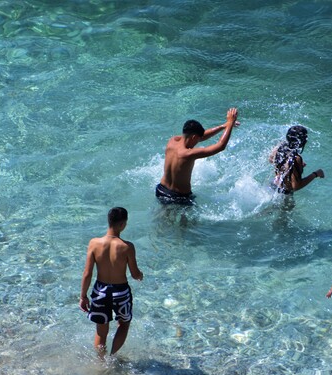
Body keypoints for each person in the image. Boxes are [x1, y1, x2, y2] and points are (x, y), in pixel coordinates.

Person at [79, 207, 144, 358]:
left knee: (101, 332)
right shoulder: (127, 247)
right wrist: (141, 275)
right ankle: (112, 357)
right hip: (120, 292)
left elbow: (87, 273)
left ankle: (101, 362)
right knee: (123, 324)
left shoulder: (94, 243)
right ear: (123, 224)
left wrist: (83, 296)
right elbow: (135, 274)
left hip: (100, 291)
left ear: (109, 221)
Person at [156, 108, 239, 205]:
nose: (198, 142)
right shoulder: (188, 154)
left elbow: (200, 136)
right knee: (189, 220)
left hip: (161, 190)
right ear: (194, 137)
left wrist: (224, 126)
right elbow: (220, 146)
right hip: (179, 197)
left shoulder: (172, 141)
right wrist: (230, 124)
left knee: (163, 218)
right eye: (197, 139)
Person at [269, 125, 324, 195]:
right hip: (282, 195)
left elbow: (271, 160)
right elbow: (295, 186)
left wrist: (293, 168)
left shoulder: (280, 148)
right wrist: (315, 174)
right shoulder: (296, 158)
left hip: (273, 186)